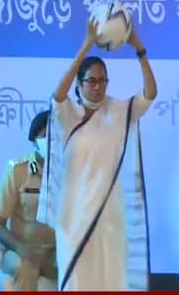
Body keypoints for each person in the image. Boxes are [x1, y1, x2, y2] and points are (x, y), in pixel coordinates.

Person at [37, 18, 158, 291]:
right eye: (91, 80)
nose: (97, 86)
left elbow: (150, 93)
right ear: (79, 84)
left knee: (111, 283)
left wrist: (139, 49)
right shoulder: (68, 114)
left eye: (103, 81)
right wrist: (86, 44)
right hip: (74, 219)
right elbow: (57, 95)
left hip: (111, 218)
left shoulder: (119, 112)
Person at [0, 110, 57, 291]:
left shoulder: (68, 174)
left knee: (82, 262)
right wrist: (21, 248)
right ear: (35, 140)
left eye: (56, 136)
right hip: (19, 251)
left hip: (54, 254)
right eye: (45, 136)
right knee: (26, 266)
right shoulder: (17, 170)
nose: (51, 141)